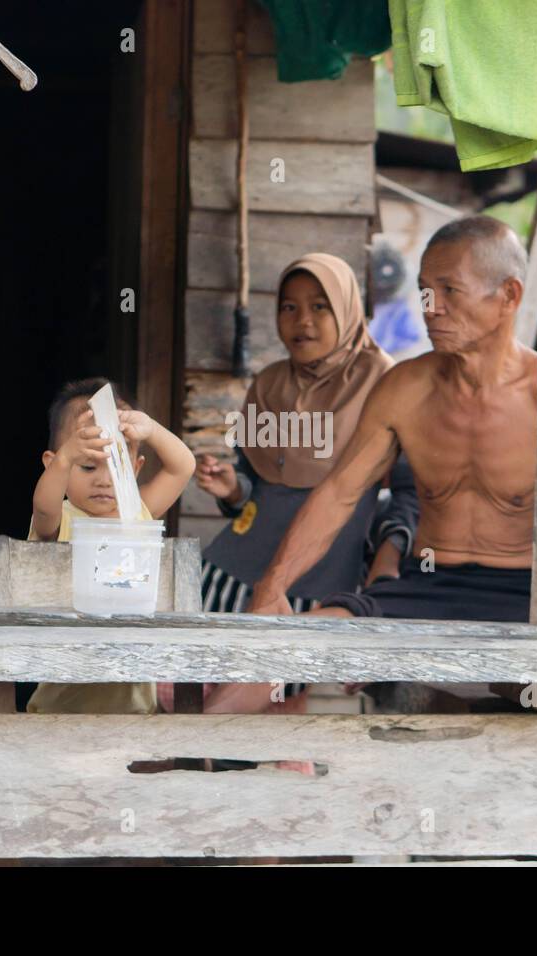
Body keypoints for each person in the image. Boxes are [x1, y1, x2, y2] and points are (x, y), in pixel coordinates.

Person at [248, 217, 537, 624]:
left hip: (528, 595)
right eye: (425, 291)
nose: (430, 308)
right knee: (281, 644)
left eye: (449, 290)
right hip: (423, 585)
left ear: (508, 295)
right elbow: (339, 493)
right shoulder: (404, 386)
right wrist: (271, 586)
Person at [188, 252, 416, 714]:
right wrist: (232, 487)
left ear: (347, 309)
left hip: (316, 582)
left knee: (274, 713)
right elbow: (252, 484)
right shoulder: (270, 384)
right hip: (230, 572)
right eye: (288, 307)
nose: (302, 321)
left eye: (320, 306)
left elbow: (409, 493)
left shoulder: (385, 383)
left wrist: (385, 569)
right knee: (191, 695)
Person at [26, 377, 196, 715]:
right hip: (60, 709)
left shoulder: (139, 512)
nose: (103, 479)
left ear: (136, 467)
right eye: (87, 465)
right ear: (52, 464)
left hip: (133, 711)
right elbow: (42, 505)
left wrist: (151, 429)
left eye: (115, 466)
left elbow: (183, 466)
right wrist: (66, 457)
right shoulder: (60, 518)